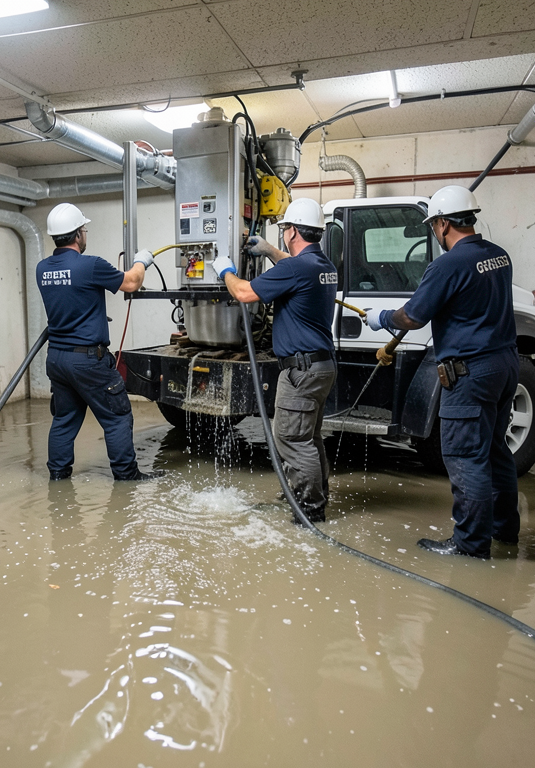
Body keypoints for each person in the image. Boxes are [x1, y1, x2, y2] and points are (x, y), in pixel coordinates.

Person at [366, 185, 519, 558]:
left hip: (470, 374)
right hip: (504, 366)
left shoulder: (448, 264)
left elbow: (412, 317)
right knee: (494, 450)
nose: (435, 231)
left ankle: (470, 545)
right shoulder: (498, 256)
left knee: (466, 457)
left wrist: (379, 318)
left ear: (444, 224)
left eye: (434, 224)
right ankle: (503, 530)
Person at [212, 198, 338, 522]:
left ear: (292, 231)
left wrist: (225, 270)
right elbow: (294, 266)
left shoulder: (295, 269)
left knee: (292, 440)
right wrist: (269, 249)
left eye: (284, 230)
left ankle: (309, 512)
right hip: (322, 367)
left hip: (300, 371)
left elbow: (242, 293)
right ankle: (313, 494)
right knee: (309, 437)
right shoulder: (324, 266)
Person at [37, 203, 162, 482]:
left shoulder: (42, 269)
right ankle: (127, 477)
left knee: (64, 419)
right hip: (88, 360)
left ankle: (58, 475)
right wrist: (142, 261)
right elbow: (131, 283)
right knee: (117, 416)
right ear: (78, 234)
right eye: (84, 229)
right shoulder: (90, 265)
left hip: (57, 358)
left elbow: (68, 297)